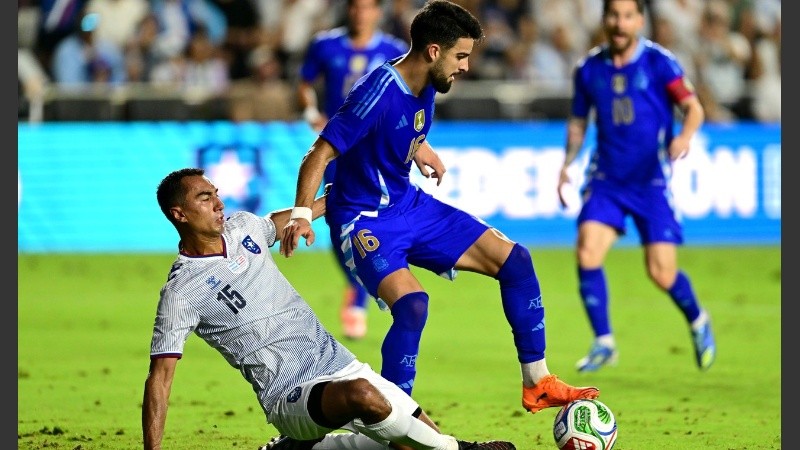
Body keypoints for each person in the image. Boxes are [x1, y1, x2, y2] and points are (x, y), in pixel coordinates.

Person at [279, 0, 600, 414]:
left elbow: (400, 127)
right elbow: (318, 155)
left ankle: (537, 382)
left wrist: (419, 148)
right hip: (362, 220)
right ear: (434, 51)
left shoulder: (428, 81)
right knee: (413, 305)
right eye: (460, 56)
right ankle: (394, 418)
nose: (466, 66)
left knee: (515, 261)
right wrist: (303, 215)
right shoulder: (375, 91)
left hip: (408, 204)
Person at [143, 167, 517, 450]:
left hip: (339, 362)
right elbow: (160, 380)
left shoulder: (243, 228)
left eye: (216, 193)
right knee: (365, 398)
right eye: (205, 198)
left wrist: (334, 196)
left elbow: (288, 221)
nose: (218, 203)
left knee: (412, 440)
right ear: (179, 214)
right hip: (288, 393)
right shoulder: (182, 292)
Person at [556, 0, 717, 373]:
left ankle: (697, 319)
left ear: (640, 20)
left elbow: (693, 107)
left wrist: (685, 136)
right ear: (604, 19)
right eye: (613, 15)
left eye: (628, 16)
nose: (619, 23)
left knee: (661, 272)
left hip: (650, 181)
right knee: (587, 253)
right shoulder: (588, 69)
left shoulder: (660, 63)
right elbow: (578, 122)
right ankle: (604, 342)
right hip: (606, 179)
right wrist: (567, 164)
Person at [297, 0, 409, 340]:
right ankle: (358, 289)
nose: (361, 14)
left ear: (377, 12)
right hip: (338, 143)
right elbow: (304, 83)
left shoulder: (394, 49)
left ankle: (370, 288)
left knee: (381, 212)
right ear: (349, 11)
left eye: (367, 8)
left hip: (377, 146)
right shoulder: (325, 44)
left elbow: (411, 90)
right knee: (336, 211)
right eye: (356, 7)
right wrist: (311, 111)